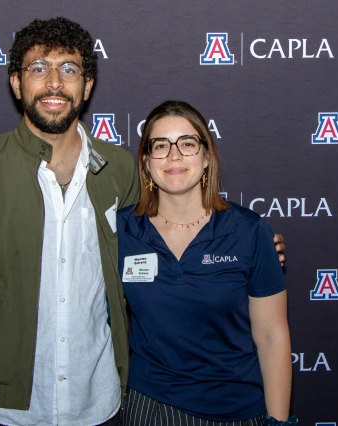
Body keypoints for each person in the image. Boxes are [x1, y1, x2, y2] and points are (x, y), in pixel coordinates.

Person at [0, 18, 286, 426]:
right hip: (4, 407)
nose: (54, 83)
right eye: (38, 68)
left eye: (69, 69)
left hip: (99, 404)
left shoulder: (118, 168)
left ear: (87, 85)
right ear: (16, 82)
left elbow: (165, 222)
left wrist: (252, 246)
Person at [117, 101, 297, 425]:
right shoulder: (120, 231)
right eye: (160, 146)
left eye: (187, 143)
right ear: (146, 162)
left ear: (206, 157)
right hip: (151, 408)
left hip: (237, 410)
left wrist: (278, 422)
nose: (174, 156)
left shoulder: (249, 231)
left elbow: (272, 336)